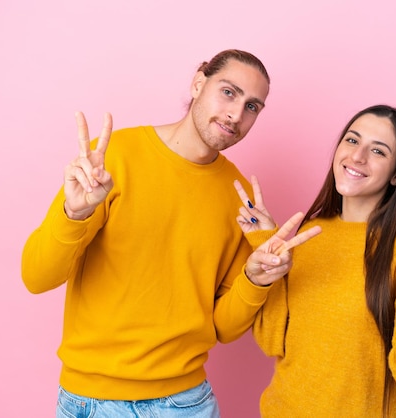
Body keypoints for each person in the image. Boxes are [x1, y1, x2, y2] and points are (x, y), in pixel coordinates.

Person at [21, 49, 320, 418]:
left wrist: (255, 280)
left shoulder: (240, 196)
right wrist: (75, 213)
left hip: (185, 403)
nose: (236, 115)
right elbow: (36, 277)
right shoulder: (115, 159)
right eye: (229, 92)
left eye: (252, 106)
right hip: (91, 400)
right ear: (198, 83)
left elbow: (222, 328)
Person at [234, 104, 396, 418]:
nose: (357, 157)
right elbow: (273, 341)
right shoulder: (311, 233)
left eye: (378, 151)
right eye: (352, 140)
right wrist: (265, 247)